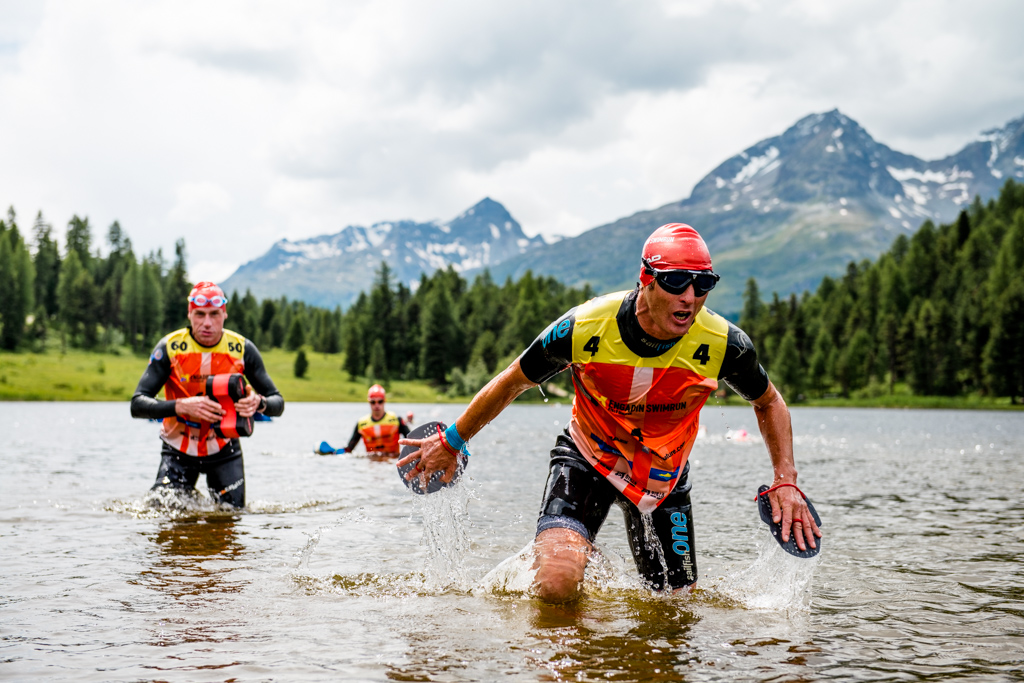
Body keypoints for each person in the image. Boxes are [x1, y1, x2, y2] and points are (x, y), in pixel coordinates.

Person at [399, 223, 821, 602]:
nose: (690, 297)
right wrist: (452, 441)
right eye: (676, 282)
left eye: (702, 283)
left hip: (663, 477)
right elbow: (513, 380)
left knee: (676, 611)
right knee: (557, 581)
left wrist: (786, 480)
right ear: (647, 279)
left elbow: (769, 401)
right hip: (587, 459)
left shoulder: (725, 343)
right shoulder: (584, 327)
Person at [130, 281, 285, 507]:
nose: (207, 323)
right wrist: (180, 406)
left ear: (225, 314)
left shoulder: (242, 348)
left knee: (231, 518)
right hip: (177, 449)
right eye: (200, 314)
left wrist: (258, 403)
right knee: (162, 515)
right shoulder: (170, 347)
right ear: (190, 314)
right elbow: (137, 404)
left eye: (214, 314)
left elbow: (278, 403)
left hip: (224, 448)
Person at [341, 384, 411, 457]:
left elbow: (413, 441)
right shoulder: (361, 423)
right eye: (373, 402)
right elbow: (349, 449)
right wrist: (335, 452)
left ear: (384, 401)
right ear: (369, 402)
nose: (376, 405)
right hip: (371, 462)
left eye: (380, 401)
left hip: (392, 461)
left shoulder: (396, 420)